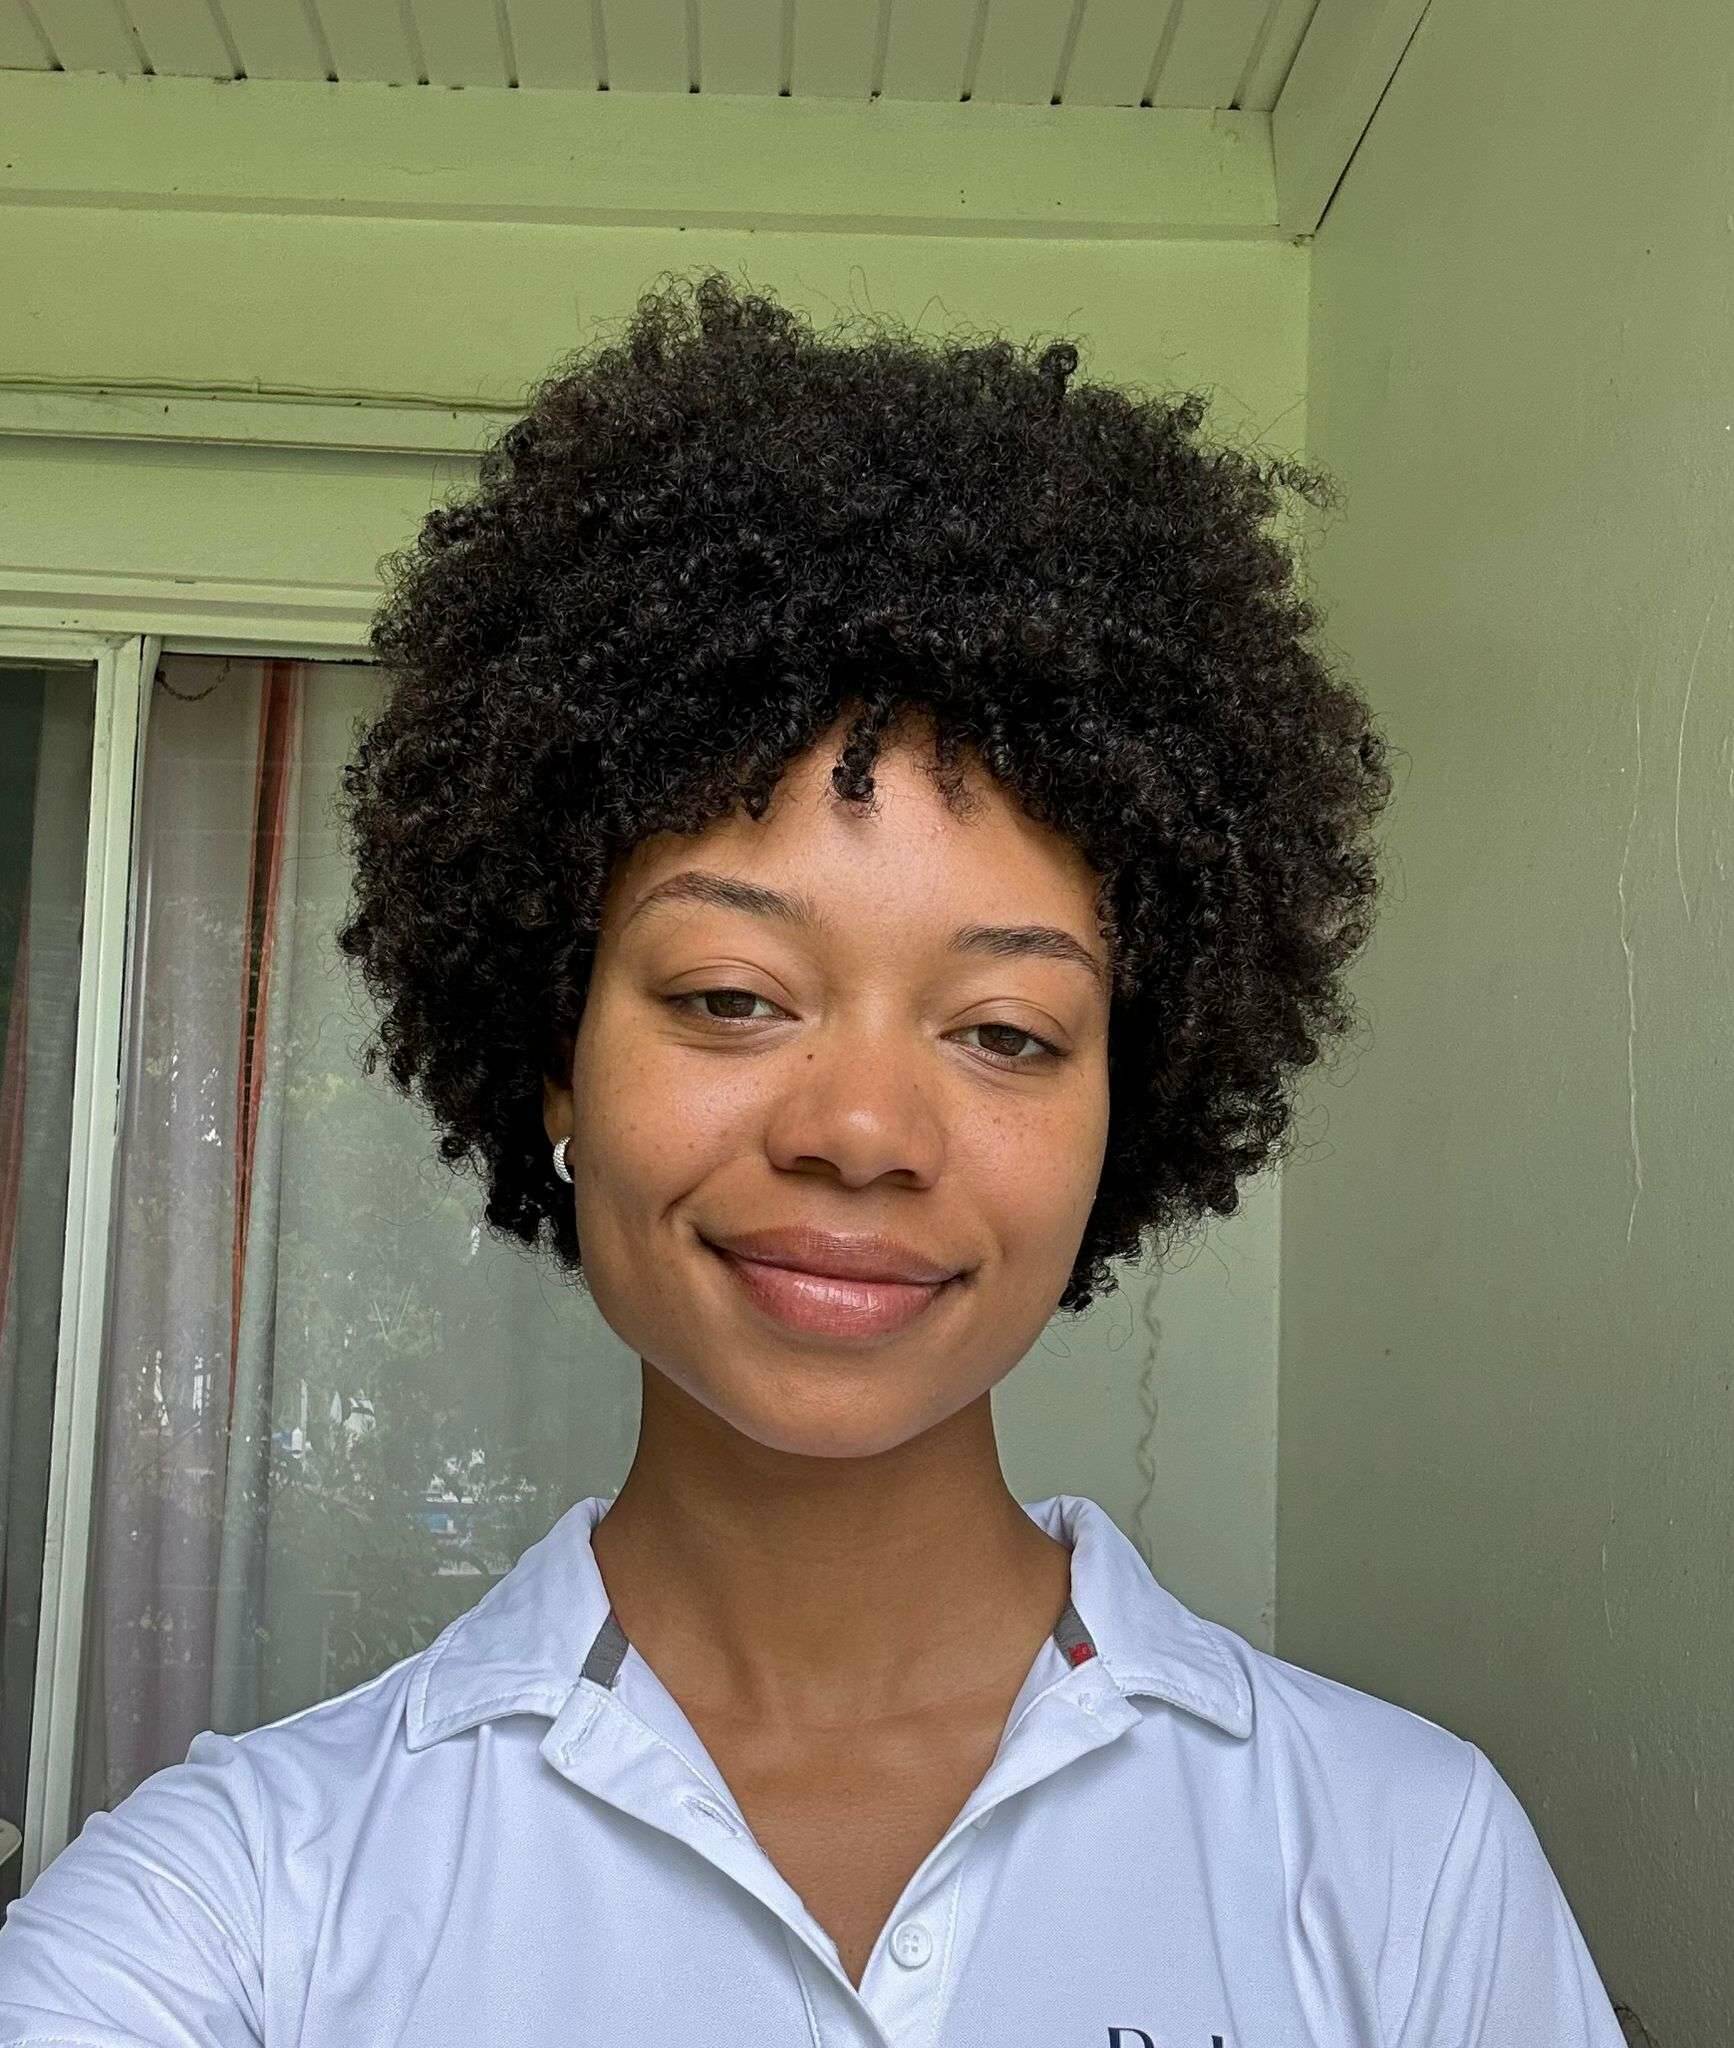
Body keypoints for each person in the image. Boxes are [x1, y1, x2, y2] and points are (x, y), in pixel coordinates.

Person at [0, 270, 1625, 2044]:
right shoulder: (235, 1904)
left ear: (1125, 1115)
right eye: (728, 996)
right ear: (553, 1059)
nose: (858, 1133)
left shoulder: (1404, 1868)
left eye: (1004, 1031)